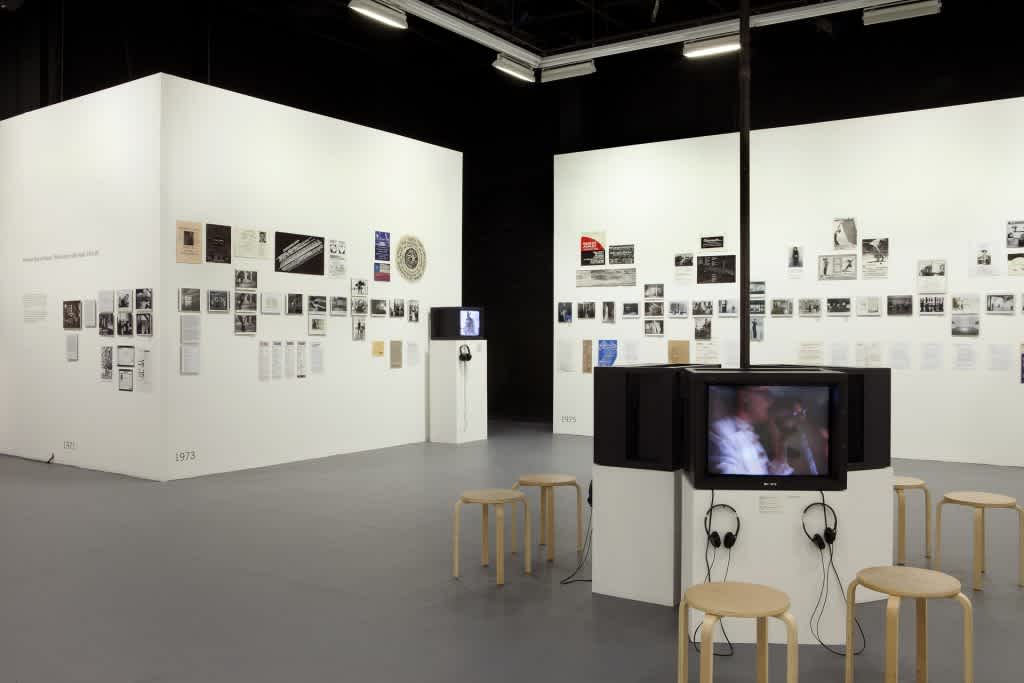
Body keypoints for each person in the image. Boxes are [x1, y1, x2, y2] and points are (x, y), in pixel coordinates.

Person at [708, 387, 794, 476]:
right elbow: (730, 485)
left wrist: (780, 440)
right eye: (765, 395)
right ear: (745, 396)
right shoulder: (722, 432)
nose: (770, 402)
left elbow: (771, 475)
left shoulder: (751, 434)